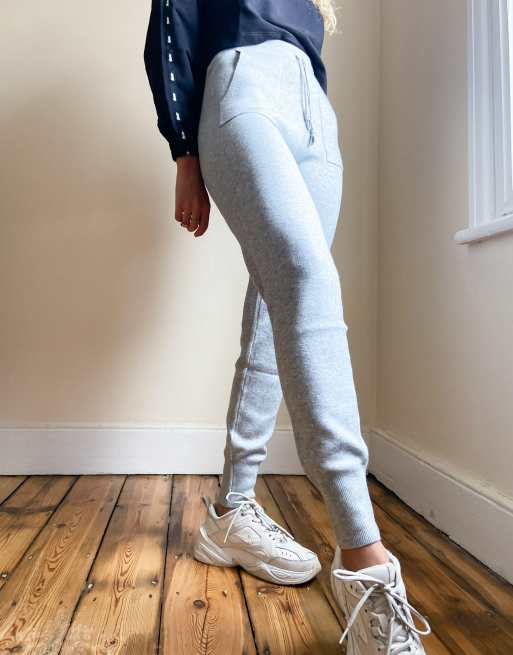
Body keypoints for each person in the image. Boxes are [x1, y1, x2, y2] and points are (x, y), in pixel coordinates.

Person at [144, 1, 431, 652]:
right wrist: (184, 152)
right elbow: (169, 24)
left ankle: (231, 510)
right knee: (307, 277)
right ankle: (363, 556)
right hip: (240, 86)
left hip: (314, 114)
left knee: (281, 297)